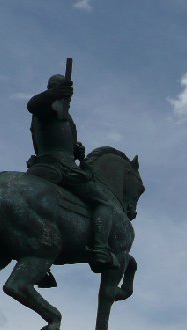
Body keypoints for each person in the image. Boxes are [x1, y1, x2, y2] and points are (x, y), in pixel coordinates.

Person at [26, 74, 119, 272]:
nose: (68, 97)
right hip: (59, 166)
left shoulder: (61, 113)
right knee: (103, 203)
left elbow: (57, 140)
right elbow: (32, 105)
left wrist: (75, 151)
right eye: (65, 92)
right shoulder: (48, 107)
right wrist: (53, 94)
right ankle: (100, 249)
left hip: (49, 164)